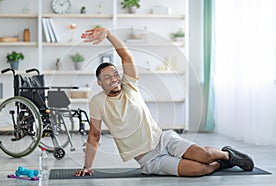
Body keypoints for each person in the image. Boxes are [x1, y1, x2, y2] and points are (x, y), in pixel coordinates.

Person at [74, 27, 254, 177]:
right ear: (99, 83)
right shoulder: (97, 102)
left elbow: (127, 58)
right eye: (107, 78)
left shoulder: (129, 86)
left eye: (115, 74)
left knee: (204, 155)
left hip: (163, 140)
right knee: (198, 169)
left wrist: (108, 34)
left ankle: (227, 154)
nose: (113, 79)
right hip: (148, 159)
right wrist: (87, 166)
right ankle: (220, 164)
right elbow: (94, 136)